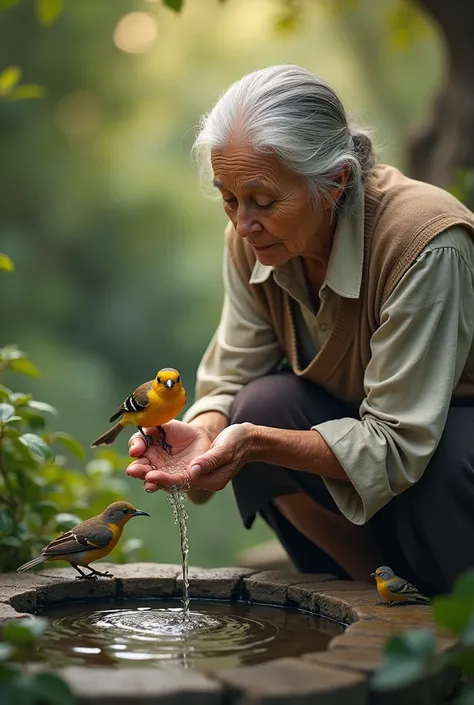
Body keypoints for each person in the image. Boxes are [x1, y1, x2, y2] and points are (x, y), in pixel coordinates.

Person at [126, 64, 474, 595]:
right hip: (369, 447)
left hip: (444, 446)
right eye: (228, 197)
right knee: (260, 403)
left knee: (452, 459)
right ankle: (375, 598)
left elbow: (399, 444)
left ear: (335, 183)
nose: (243, 223)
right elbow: (230, 376)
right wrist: (205, 433)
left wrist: (254, 444)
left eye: (264, 202)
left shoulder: (425, 243)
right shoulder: (251, 241)